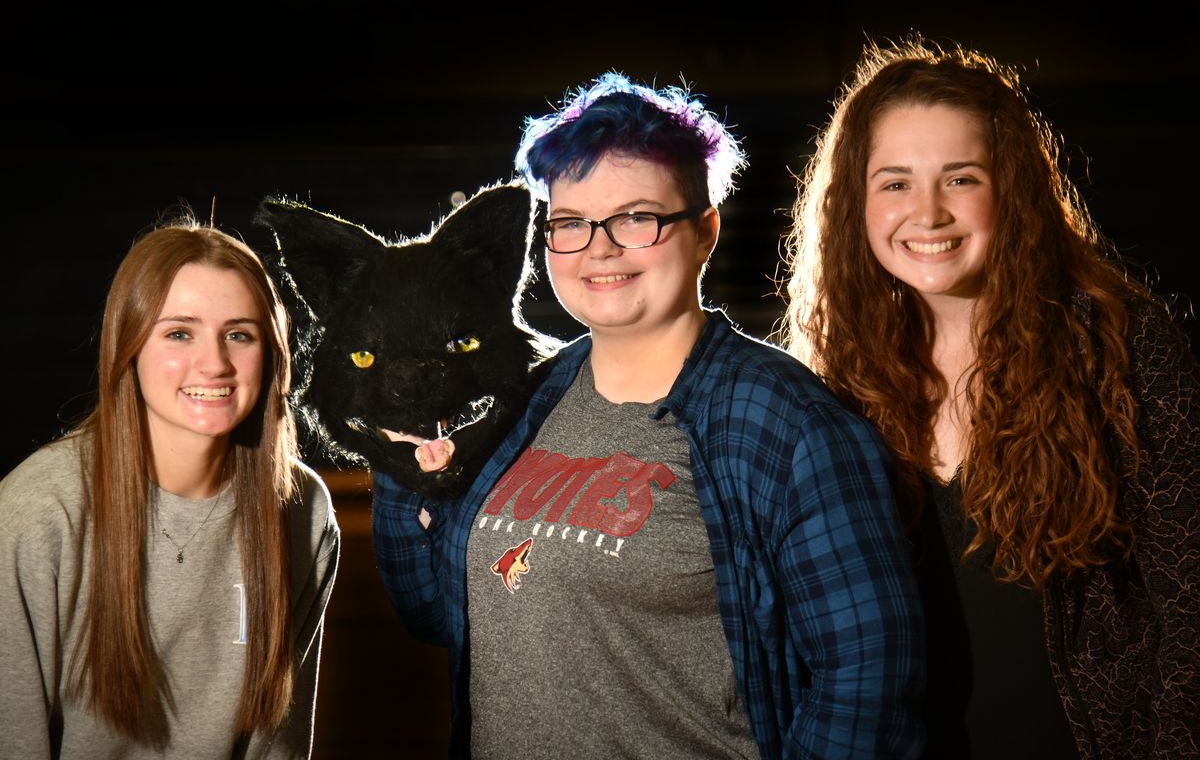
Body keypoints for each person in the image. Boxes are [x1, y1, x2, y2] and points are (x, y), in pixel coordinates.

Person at [372, 72, 924, 758]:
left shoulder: (787, 422)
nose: (599, 249)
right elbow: (435, 612)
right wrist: (399, 458)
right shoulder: (520, 405)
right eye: (572, 224)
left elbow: (868, 678)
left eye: (636, 218)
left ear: (704, 232)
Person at [782, 38, 1200, 759]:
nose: (929, 212)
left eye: (961, 177)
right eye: (895, 183)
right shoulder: (834, 381)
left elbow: (1190, 596)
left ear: (1012, 187)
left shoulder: (1119, 344)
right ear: (855, 201)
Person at [0, 222, 340, 759]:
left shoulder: (301, 509)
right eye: (179, 333)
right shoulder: (37, 513)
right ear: (129, 344)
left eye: (239, 334)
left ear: (270, 353)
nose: (215, 364)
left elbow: (278, 744)